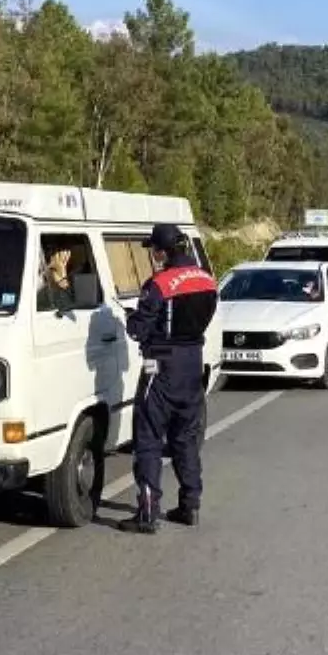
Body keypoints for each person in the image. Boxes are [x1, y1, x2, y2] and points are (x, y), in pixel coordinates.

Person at [118, 223, 219, 534]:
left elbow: (139, 330)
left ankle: (147, 513)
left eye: (154, 250)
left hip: (161, 367)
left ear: (162, 251)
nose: (153, 255)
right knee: (185, 439)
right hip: (193, 365)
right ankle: (190, 505)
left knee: (148, 438)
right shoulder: (207, 279)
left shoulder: (159, 284)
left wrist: (130, 317)